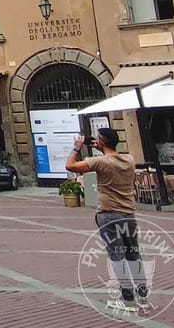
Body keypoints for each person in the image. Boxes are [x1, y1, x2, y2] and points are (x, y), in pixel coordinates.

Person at [65, 128, 150, 314]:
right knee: (133, 254)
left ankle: (127, 299)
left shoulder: (99, 161)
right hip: (129, 214)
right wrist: (102, 148)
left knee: (117, 256)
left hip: (109, 214)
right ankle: (143, 297)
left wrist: (77, 147)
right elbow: (111, 159)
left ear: (101, 142)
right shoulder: (129, 159)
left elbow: (70, 166)